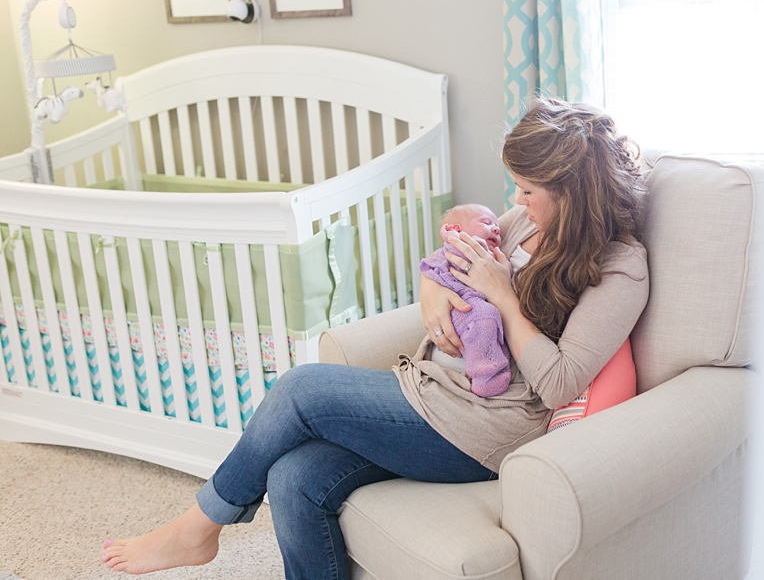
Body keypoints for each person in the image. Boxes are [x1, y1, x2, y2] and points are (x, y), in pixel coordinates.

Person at [100, 97, 650, 580]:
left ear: (573, 195)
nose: (516, 198)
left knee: (301, 390)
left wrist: (504, 298)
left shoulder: (620, 270)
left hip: (490, 426)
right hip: (435, 392)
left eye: (528, 190)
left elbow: (559, 383)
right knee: (294, 477)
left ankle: (199, 527)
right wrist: (430, 289)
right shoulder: (526, 223)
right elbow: (455, 263)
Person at [420, 203, 511, 397]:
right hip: (461, 306)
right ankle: (487, 376)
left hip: (472, 305)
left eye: (497, 226)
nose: (496, 228)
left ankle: (490, 367)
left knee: (491, 324)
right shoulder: (458, 246)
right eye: (487, 223)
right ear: (455, 230)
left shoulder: (491, 253)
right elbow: (432, 263)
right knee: (485, 317)